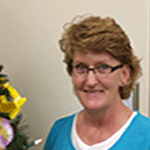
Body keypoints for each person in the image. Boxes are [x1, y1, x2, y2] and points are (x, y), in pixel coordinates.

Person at [44, 15, 150, 150]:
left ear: (124, 75)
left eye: (103, 68)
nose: (90, 81)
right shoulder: (59, 132)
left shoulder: (146, 136)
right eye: (81, 68)